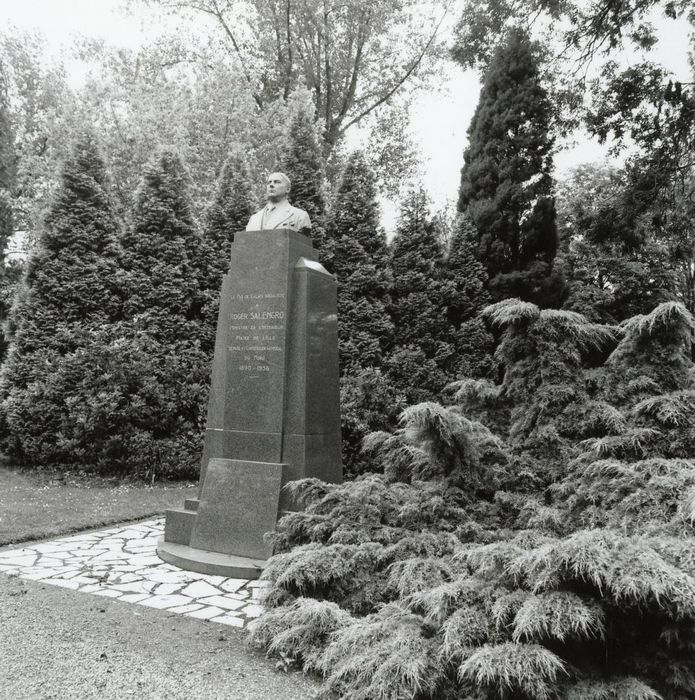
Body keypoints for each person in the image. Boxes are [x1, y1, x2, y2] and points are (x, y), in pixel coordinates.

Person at [246, 172, 312, 232]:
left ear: (288, 189)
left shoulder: (300, 216)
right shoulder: (254, 219)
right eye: (269, 182)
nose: (271, 185)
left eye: (277, 182)